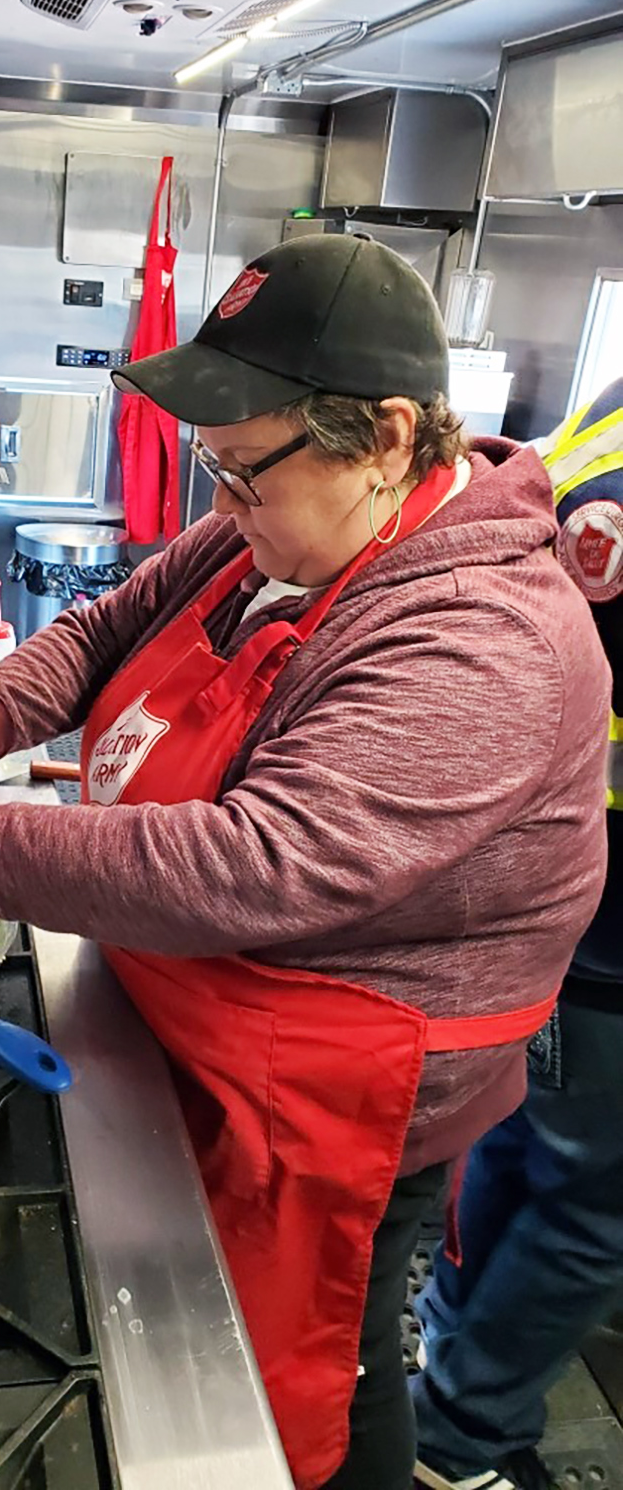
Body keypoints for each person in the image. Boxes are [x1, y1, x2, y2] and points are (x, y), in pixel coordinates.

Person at [0, 235, 610, 1490]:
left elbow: (257, 864)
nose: (221, 507)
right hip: (208, 1004)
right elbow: (101, 629)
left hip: (344, 1075)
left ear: (390, 437)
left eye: (243, 471)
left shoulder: (482, 636)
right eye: (213, 468)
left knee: (323, 1371)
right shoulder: (282, 538)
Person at [412, 379, 623, 1490]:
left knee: (519, 1139)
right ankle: (460, 1434)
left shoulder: (616, 406)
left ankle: (452, 1357)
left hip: (542, 897)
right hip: (607, 928)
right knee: (595, 1207)